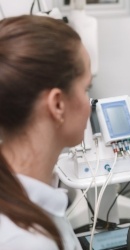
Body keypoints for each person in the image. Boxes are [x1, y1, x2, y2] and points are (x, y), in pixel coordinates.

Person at [0, 15, 92, 249]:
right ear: (57, 104)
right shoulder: (25, 241)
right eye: (85, 89)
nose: (89, 104)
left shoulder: (22, 199)